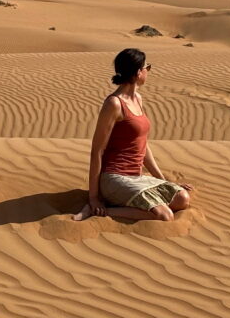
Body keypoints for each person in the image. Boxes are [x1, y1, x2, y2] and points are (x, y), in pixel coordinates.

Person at [73, 48, 193, 222]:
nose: (148, 71)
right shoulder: (114, 104)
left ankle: (118, 204)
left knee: (182, 199)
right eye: (147, 67)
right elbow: (97, 151)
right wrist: (94, 197)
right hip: (114, 178)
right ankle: (101, 210)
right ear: (138, 72)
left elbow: (142, 144)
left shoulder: (138, 99)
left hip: (136, 178)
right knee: (165, 215)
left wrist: (164, 181)